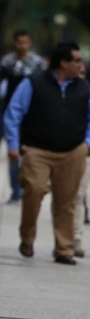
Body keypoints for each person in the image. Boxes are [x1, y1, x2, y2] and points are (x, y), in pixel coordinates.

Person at [4, 43, 89, 265]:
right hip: (38, 150)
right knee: (34, 190)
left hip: (72, 151)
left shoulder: (84, 88)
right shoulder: (33, 83)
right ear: (64, 63)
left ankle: (64, 249)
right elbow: (14, 113)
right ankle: (27, 237)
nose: (81, 65)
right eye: (77, 60)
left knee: (66, 201)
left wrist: (87, 144)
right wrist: (13, 144)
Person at [0, 30, 46, 204]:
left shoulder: (37, 63)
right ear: (14, 43)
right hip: (12, 112)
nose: (22, 46)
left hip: (32, 114)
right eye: (19, 42)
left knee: (30, 154)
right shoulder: (7, 62)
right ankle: (15, 190)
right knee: (14, 152)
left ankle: (28, 186)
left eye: (25, 42)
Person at [74, 60, 90, 258]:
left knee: (78, 194)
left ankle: (75, 238)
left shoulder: (87, 93)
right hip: (59, 150)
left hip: (84, 151)